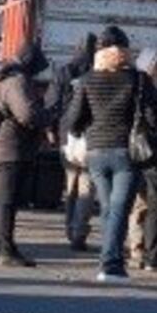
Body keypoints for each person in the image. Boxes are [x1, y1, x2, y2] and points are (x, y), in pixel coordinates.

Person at [67, 26, 157, 283]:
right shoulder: (139, 80)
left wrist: (90, 126)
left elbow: (74, 120)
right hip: (126, 153)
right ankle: (111, 266)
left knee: (109, 209)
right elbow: (153, 119)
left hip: (96, 152)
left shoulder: (87, 80)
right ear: (125, 50)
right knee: (119, 209)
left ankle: (108, 260)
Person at [0, 43, 50, 267]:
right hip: (11, 146)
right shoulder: (17, 80)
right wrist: (46, 116)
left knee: (2, 200)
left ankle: (0, 248)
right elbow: (27, 115)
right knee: (7, 200)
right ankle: (6, 249)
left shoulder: (0, 74)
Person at [46, 34, 97, 250]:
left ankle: (69, 227)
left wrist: (50, 129)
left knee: (71, 185)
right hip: (90, 135)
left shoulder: (63, 72)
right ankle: (79, 232)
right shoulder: (97, 74)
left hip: (66, 135)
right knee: (87, 186)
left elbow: (52, 102)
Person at [131, 47, 157, 273]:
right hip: (147, 152)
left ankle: (141, 249)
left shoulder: (140, 84)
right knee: (148, 204)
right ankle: (143, 250)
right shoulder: (145, 87)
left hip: (142, 150)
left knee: (144, 204)